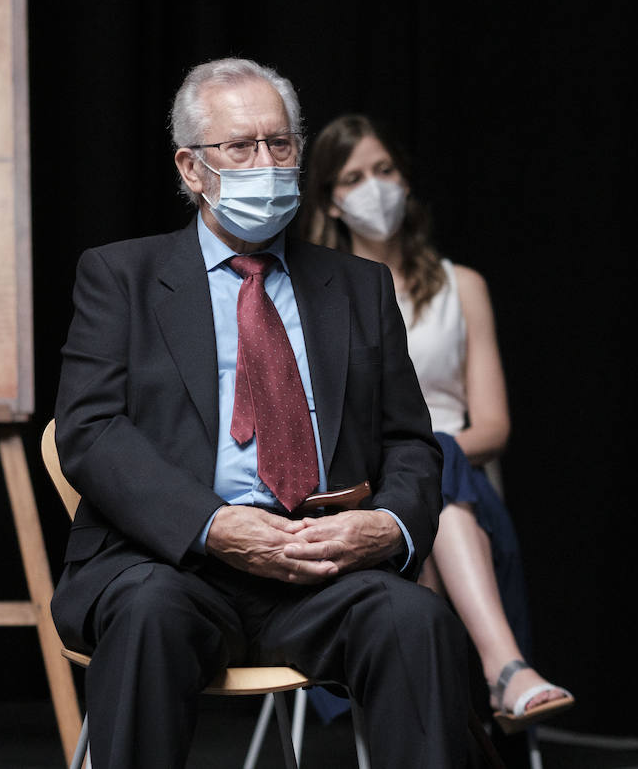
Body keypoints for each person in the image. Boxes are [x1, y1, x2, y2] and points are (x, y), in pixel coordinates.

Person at [50, 59, 483, 768]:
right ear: (191, 168)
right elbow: (92, 435)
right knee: (148, 614)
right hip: (172, 564)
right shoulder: (120, 277)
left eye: (280, 144)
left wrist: (387, 525)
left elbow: (410, 441)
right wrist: (213, 526)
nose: (267, 163)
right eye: (240, 147)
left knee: (414, 618)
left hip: (320, 568)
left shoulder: (359, 287)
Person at [298, 113, 574, 734]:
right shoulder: (313, 295)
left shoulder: (461, 286)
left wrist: (430, 455)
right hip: (361, 491)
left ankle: (442, 701)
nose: (375, 186)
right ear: (331, 201)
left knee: (436, 470)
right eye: (353, 177)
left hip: (463, 481)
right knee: (417, 486)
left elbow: (495, 426)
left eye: (384, 170)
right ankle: (500, 671)